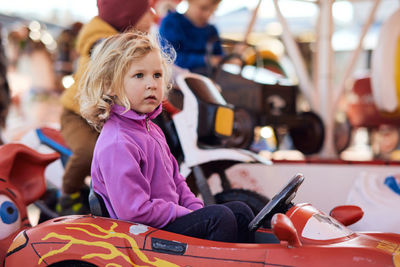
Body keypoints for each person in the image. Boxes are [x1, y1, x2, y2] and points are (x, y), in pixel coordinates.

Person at [79, 30, 255, 243]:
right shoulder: (117, 142)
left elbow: (177, 182)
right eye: (139, 75)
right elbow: (134, 212)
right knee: (221, 218)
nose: (151, 84)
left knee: (240, 212)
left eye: (157, 75)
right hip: (142, 235)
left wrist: (196, 210)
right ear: (110, 86)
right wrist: (186, 214)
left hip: (163, 224)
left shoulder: (152, 130)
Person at [56, 0, 152, 215]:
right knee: (88, 151)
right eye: (146, 12)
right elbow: (100, 48)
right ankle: (67, 194)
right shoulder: (100, 37)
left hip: (107, 115)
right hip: (77, 114)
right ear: (126, 14)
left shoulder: (134, 41)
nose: (152, 16)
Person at [159, 0, 223, 76]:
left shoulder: (211, 30)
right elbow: (169, 58)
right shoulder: (171, 22)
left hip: (208, 77)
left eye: (213, 11)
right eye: (203, 8)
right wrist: (205, 60)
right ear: (189, 1)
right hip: (177, 79)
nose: (207, 14)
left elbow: (219, 55)